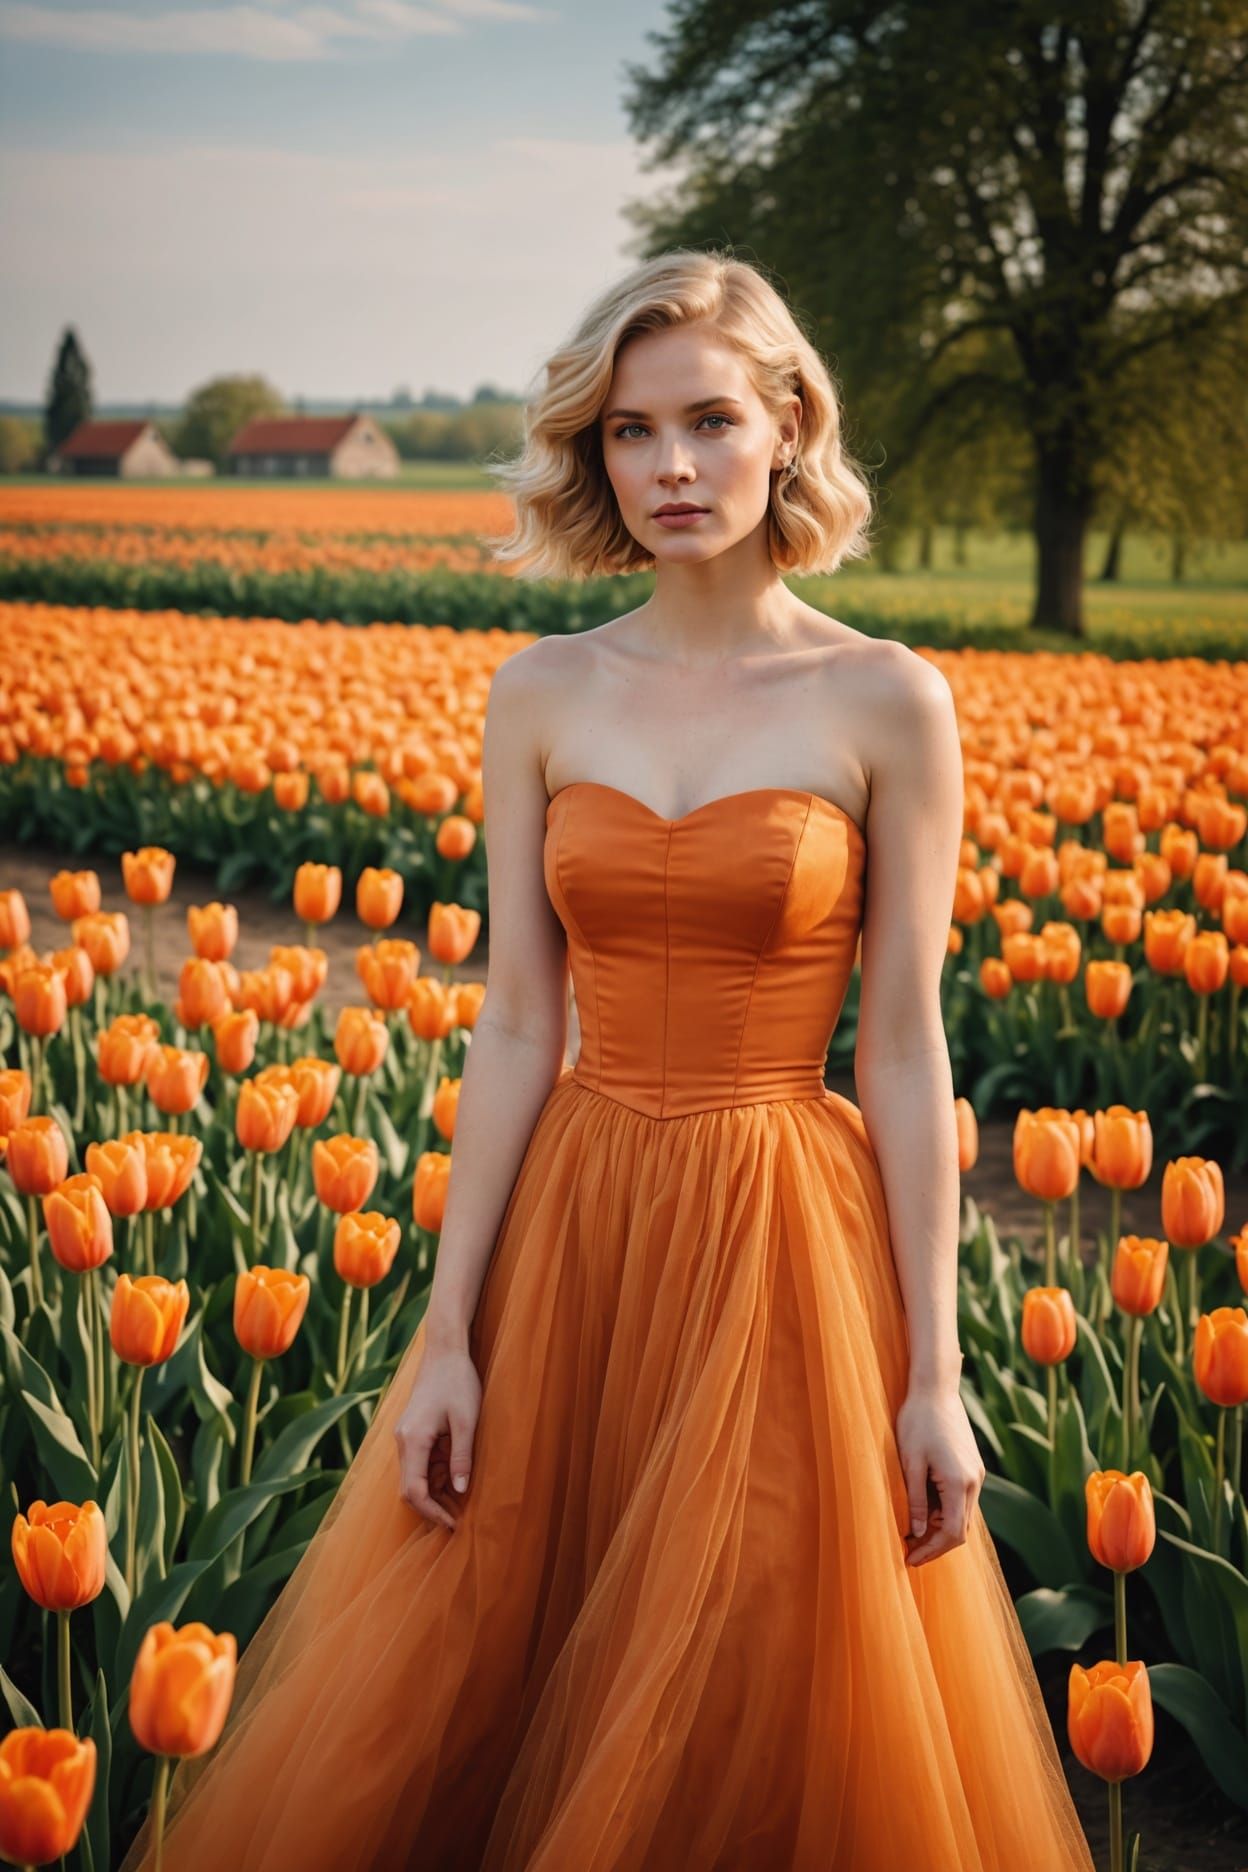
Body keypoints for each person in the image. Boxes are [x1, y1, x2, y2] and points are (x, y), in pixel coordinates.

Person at [118, 249, 1095, 1871]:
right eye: (631, 434)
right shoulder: (544, 693)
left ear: (789, 424)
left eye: (709, 420)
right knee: (506, 1657)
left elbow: (909, 1053)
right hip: (575, 1218)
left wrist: (935, 1374)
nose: (672, 468)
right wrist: (445, 1334)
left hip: (783, 1232)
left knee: (759, 1673)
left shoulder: (887, 701)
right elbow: (515, 1019)